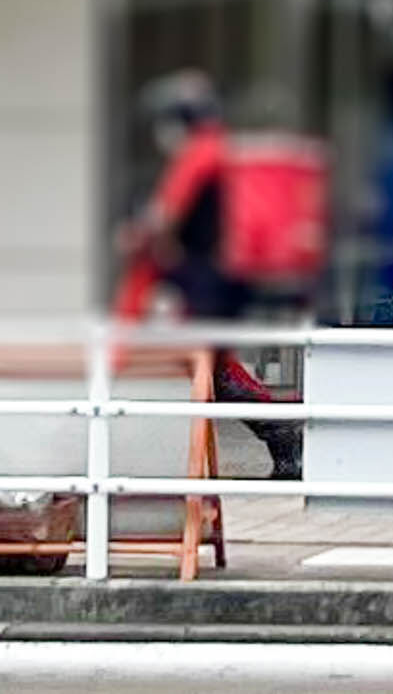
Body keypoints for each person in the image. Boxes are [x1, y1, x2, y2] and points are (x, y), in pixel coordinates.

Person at [118, 70, 304, 480]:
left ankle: (283, 433)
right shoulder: (221, 149)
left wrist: (136, 236)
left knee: (204, 365)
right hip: (221, 278)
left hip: (207, 281)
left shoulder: (199, 154)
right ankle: (283, 436)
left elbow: (165, 215)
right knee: (211, 363)